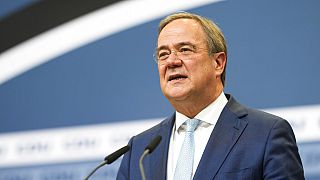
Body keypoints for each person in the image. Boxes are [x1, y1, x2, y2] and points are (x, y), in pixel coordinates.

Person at [116, 12, 304, 180]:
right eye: (163, 54)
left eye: (185, 50)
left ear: (218, 63)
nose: (171, 61)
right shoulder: (139, 150)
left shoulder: (266, 133)